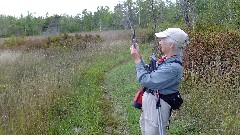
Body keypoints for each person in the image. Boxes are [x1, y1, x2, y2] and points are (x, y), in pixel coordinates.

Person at [130, 28, 189, 135]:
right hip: (152, 104)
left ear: (171, 44)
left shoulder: (173, 67)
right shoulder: (166, 60)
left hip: (158, 106)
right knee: (145, 129)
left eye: (162, 39)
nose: (160, 42)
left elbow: (146, 80)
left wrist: (137, 60)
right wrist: (139, 56)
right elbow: (149, 72)